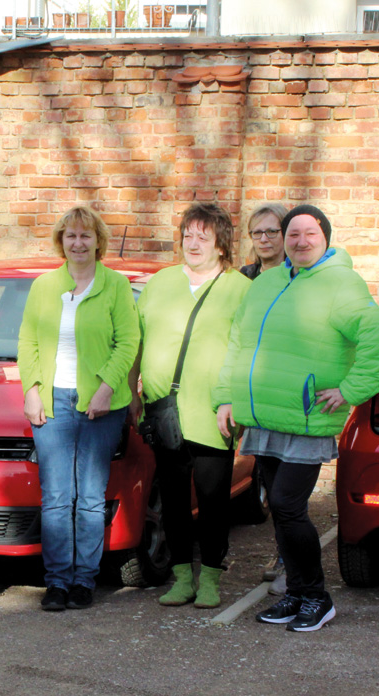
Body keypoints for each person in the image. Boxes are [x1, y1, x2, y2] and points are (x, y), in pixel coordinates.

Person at [215, 204, 379, 632]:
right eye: (292, 234)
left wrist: (350, 390)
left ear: (325, 237)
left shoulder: (341, 283)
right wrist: (226, 397)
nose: (300, 241)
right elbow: (239, 340)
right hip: (265, 416)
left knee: (287, 506)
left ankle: (316, 596)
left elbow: (376, 336)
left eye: (309, 233)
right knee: (283, 512)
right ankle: (295, 593)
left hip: (308, 417)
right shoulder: (267, 282)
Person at [17, 205, 141, 612]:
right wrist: (32, 390)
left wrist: (106, 388)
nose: (78, 242)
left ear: (98, 240)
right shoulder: (43, 286)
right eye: (71, 235)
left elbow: (128, 342)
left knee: (89, 496)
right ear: (61, 241)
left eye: (86, 235)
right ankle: (56, 582)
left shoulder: (116, 286)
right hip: (53, 402)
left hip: (100, 406)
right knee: (56, 496)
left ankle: (84, 581)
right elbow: (28, 342)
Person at [138, 203, 251, 610]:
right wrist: (135, 392)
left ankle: (212, 579)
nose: (194, 243)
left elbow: (248, 351)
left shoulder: (240, 288)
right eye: (188, 235)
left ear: (221, 244)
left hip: (214, 411)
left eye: (204, 236)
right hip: (164, 410)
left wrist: (236, 400)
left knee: (214, 499)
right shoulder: (160, 282)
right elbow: (137, 337)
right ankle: (182, 577)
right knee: (172, 499)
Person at [240, 202, 290, 591]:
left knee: (287, 485)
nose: (265, 239)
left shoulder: (299, 275)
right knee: (268, 475)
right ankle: (284, 549)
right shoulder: (244, 279)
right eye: (258, 232)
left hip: (288, 392)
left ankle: (289, 556)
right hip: (252, 393)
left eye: (272, 231)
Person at [240, 203, 288, 280]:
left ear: (285, 233)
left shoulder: (296, 276)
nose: (263, 240)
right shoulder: (245, 276)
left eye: (272, 231)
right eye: (257, 233)